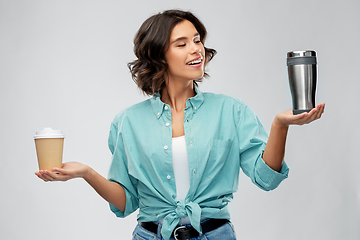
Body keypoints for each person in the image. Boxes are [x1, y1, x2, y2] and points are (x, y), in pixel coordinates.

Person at [35, 9, 325, 240]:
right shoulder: (128, 122)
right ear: (160, 54)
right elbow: (125, 203)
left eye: (197, 40)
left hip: (214, 235)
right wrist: (86, 173)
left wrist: (280, 124)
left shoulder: (231, 111)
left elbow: (266, 178)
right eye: (182, 43)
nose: (196, 50)